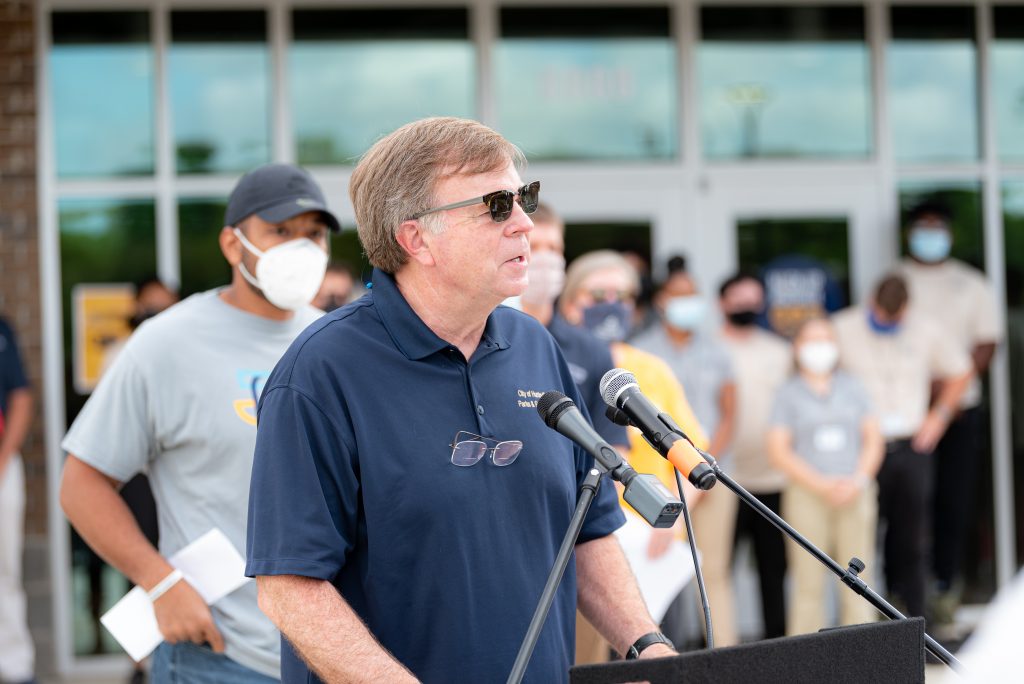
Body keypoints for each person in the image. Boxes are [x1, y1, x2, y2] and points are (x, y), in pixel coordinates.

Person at [245, 117, 675, 684]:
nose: (524, 222)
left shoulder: (534, 346)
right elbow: (289, 588)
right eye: (496, 206)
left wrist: (647, 647)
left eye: (524, 197)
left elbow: (586, 529)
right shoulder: (319, 372)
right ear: (415, 239)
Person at [60, 162, 339, 681]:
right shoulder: (167, 344)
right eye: (280, 231)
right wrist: (161, 584)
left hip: (326, 655)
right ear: (233, 245)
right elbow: (81, 484)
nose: (301, 249)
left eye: (314, 234)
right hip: (216, 656)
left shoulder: (334, 344)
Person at [558, 250, 708, 647]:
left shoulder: (652, 369)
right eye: (599, 295)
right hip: (585, 540)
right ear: (570, 302)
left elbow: (691, 452)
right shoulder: (553, 364)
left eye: (622, 296)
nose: (612, 305)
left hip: (653, 542)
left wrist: (673, 518)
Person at [518, 202, 630, 664]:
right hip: (511, 530)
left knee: (582, 661)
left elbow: (612, 446)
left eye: (554, 247)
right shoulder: (481, 341)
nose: (545, 258)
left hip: (574, 530)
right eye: (535, 245)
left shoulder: (589, 349)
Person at [832, 274, 971, 620]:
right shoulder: (843, 328)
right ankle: (867, 620)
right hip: (863, 448)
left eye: (894, 318)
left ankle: (918, 621)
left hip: (911, 446)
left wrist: (938, 417)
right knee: (862, 536)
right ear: (870, 302)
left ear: (907, 310)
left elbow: (961, 371)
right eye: (881, 315)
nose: (886, 322)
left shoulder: (926, 329)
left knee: (914, 539)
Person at [897, 200, 1002, 621]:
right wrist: (931, 388)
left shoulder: (971, 283)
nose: (930, 235)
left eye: (937, 227)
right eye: (922, 227)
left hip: (960, 414)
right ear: (909, 234)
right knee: (908, 505)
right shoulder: (897, 280)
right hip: (908, 414)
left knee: (954, 502)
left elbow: (987, 343)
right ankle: (901, 595)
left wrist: (950, 391)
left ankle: (946, 588)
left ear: (950, 234)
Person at [631, 258, 739, 647]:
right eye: (679, 294)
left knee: (714, 572)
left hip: (713, 475)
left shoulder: (716, 350)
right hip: (663, 482)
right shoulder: (641, 352)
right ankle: (662, 655)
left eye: (693, 294)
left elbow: (729, 413)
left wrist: (704, 464)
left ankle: (723, 655)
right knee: (658, 573)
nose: (688, 301)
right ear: (661, 300)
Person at [766, 317, 884, 635]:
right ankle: (807, 659)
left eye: (825, 339)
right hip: (807, 494)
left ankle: (864, 655)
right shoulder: (787, 393)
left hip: (855, 492)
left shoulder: (853, 386)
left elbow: (873, 440)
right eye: (811, 340)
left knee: (859, 581)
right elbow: (778, 449)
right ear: (797, 347)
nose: (819, 348)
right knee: (808, 582)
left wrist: (857, 481)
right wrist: (821, 485)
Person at [718, 271, 791, 640]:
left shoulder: (780, 351)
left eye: (753, 299)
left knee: (773, 569)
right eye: (739, 298)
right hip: (723, 479)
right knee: (718, 569)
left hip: (772, 478)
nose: (746, 305)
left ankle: (776, 645)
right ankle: (720, 646)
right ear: (722, 303)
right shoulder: (711, 349)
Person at [0, 317, 35, 684]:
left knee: (5, 570)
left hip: (2, 463)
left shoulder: (2, 330)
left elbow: (21, 396)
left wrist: (3, 459)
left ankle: (15, 667)